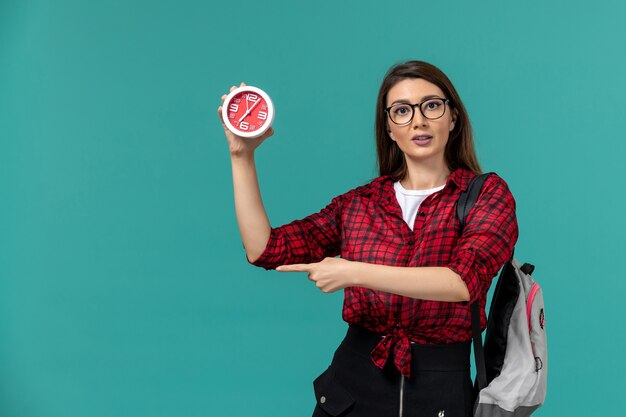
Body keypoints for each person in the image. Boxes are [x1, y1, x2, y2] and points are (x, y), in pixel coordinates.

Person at [218, 61, 518, 417]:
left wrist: (353, 271)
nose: (418, 120)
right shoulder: (359, 204)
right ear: (389, 127)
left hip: (439, 391)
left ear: (453, 118)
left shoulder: (486, 194)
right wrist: (242, 155)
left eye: (432, 105)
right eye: (402, 111)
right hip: (351, 389)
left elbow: (463, 282)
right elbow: (264, 249)